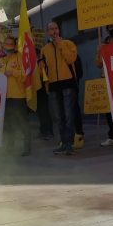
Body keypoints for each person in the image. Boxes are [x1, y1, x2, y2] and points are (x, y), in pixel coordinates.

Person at [40, 21, 78, 155]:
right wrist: (46, 87)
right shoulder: (45, 50)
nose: (54, 31)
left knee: (68, 115)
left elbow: (70, 59)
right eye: (51, 29)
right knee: (58, 116)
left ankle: (69, 143)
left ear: (59, 30)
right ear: (47, 32)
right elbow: (43, 71)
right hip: (53, 86)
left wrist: (60, 44)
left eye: (56, 28)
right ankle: (63, 142)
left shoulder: (68, 44)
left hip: (67, 83)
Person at [0, 36, 30, 156]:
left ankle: (27, 147)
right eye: (6, 44)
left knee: (22, 122)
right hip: (5, 97)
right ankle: (10, 147)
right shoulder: (1, 60)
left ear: (15, 45)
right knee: (9, 124)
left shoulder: (20, 57)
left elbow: (25, 75)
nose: (8, 46)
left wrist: (13, 73)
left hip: (18, 96)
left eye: (11, 44)